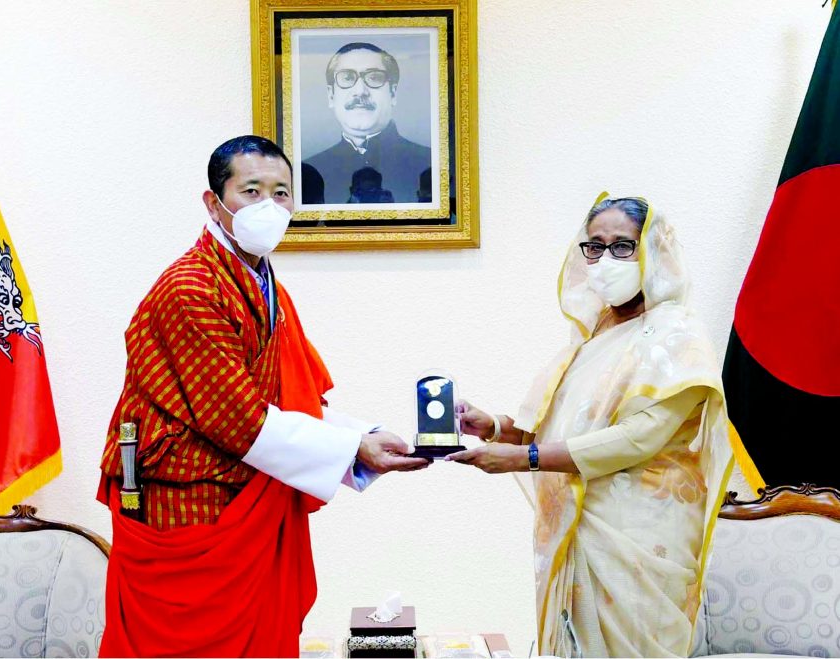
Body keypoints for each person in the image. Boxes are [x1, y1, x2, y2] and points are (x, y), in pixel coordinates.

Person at [96, 135, 428, 657]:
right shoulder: (191, 289)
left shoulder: (261, 281)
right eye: (251, 191)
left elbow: (288, 400)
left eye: (280, 193)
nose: (269, 207)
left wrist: (361, 435)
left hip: (243, 496)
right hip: (191, 506)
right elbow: (244, 423)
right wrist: (352, 450)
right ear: (215, 202)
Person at [448, 195, 743, 657]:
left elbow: (638, 437)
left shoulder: (678, 336)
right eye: (594, 246)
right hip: (576, 528)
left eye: (623, 246)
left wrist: (523, 459)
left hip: (640, 538)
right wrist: (495, 427)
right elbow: (555, 427)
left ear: (654, 251)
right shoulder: (592, 337)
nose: (605, 260)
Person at [301, 42, 431, 205]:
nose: (360, 91)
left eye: (374, 77)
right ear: (331, 95)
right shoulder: (307, 174)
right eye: (347, 77)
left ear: (393, 92)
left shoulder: (428, 163)